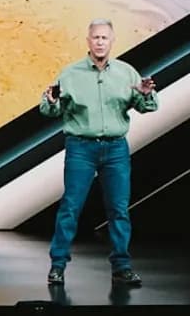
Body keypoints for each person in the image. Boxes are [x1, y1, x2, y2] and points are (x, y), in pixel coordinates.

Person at [40, 18, 158, 287]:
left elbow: (147, 106)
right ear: (88, 41)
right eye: (96, 38)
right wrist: (51, 100)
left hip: (116, 149)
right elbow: (50, 110)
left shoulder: (127, 73)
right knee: (70, 207)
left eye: (105, 38)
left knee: (118, 209)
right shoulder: (70, 74)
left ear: (112, 41)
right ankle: (57, 267)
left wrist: (146, 94)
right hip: (81, 148)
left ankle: (122, 267)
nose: (100, 42)